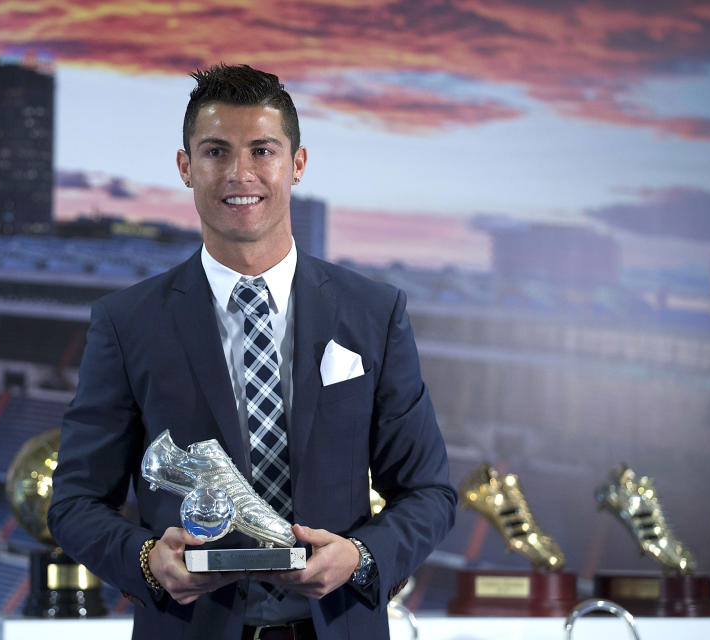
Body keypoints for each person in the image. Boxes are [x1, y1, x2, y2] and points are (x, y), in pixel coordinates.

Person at [48, 63, 456, 640]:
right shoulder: (127, 322)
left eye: (262, 151)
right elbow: (75, 503)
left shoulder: (373, 312)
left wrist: (360, 558)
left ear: (298, 164)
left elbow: (429, 492)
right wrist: (147, 560)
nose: (241, 173)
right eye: (216, 152)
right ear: (186, 168)